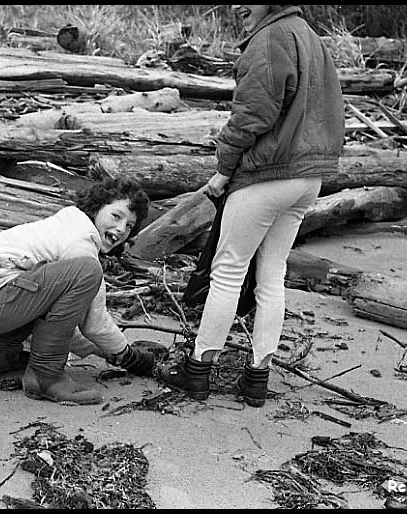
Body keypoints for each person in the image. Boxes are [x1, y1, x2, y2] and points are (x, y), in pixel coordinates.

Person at [158, 5, 345, 407]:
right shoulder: (309, 36)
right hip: (308, 177)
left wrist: (223, 168)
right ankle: (257, 378)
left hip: (269, 173)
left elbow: (252, 113)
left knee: (227, 272)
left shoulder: (272, 36)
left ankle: (197, 372)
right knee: (272, 276)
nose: (237, 5)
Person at [0, 177, 155, 406]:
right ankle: (45, 375)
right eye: (116, 216)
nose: (121, 229)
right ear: (97, 207)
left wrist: (103, 350)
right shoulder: (80, 242)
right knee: (88, 272)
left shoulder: (69, 223)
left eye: (129, 225)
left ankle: (2, 357)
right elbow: (93, 324)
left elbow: (64, 320)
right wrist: (129, 356)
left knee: (46, 281)